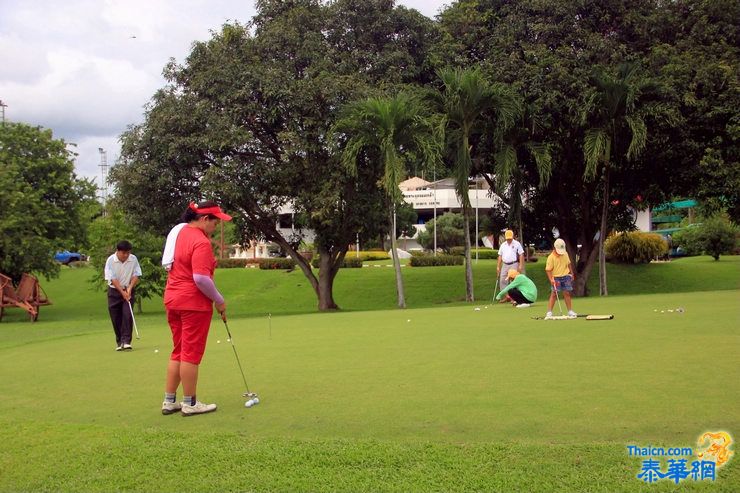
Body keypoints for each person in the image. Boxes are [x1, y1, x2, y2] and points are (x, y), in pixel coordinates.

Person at [161, 200, 232, 416]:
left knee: (179, 350)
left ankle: (169, 400)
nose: (217, 225)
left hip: (172, 298)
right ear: (204, 219)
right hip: (193, 303)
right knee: (190, 353)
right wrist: (219, 300)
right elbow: (201, 278)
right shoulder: (201, 242)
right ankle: (190, 403)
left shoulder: (179, 233)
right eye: (215, 221)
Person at [104, 240, 142, 351]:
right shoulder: (111, 260)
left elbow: (136, 274)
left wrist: (129, 288)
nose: (126, 255)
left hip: (128, 289)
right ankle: (119, 341)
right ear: (118, 251)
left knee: (127, 314)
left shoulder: (133, 259)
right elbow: (113, 278)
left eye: (128, 253)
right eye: (123, 253)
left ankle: (126, 341)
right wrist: (122, 291)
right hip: (114, 291)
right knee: (115, 317)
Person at [545, 238, 577, 318]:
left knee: (567, 293)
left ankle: (570, 311)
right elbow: (548, 270)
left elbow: (569, 264)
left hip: (565, 276)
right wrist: (551, 280)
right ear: (555, 248)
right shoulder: (551, 257)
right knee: (554, 294)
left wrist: (572, 273)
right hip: (556, 277)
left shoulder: (565, 254)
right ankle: (549, 312)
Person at [496, 229, 525, 302]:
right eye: (507, 238)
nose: (509, 240)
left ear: (512, 237)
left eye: (510, 238)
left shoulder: (517, 244)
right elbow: (500, 256)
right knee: (502, 280)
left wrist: (520, 265)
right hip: (505, 264)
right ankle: (507, 296)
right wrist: (498, 267)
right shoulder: (503, 245)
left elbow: (521, 254)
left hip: (514, 264)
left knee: (513, 282)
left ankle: (513, 298)